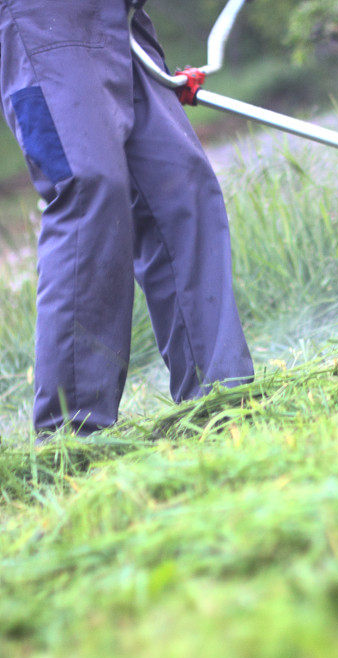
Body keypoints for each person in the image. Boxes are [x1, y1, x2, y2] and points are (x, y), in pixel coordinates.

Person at [0, 0, 254, 437]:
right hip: (43, 21)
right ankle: (72, 438)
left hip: (121, 19)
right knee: (90, 187)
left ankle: (221, 400)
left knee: (181, 186)